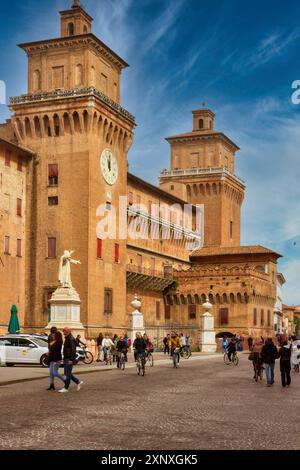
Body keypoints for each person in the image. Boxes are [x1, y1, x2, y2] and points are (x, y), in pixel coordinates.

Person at [58, 327, 83, 393]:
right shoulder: (68, 338)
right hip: (67, 358)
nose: (63, 333)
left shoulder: (70, 339)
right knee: (66, 373)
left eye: (64, 331)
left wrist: (71, 359)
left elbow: (73, 350)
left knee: (68, 373)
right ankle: (78, 382)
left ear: (68, 331)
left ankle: (66, 388)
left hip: (69, 358)